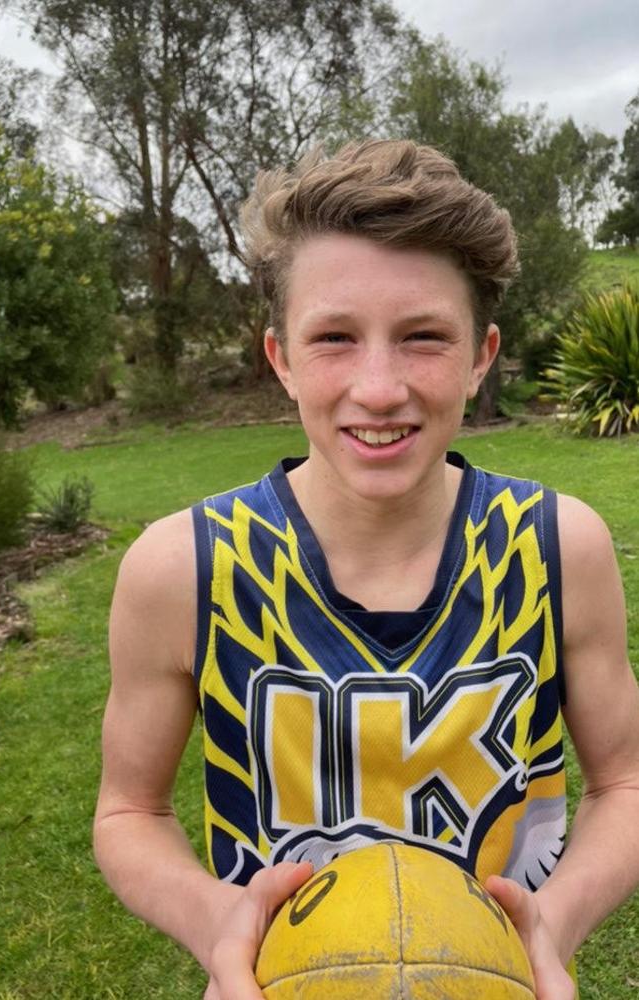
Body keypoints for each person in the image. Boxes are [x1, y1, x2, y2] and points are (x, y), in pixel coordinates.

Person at [94, 140, 639, 1000]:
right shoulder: (182, 570)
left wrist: (551, 929)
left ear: (481, 355)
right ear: (280, 357)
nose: (379, 389)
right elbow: (129, 812)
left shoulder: (555, 548)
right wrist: (218, 923)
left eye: (424, 337)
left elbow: (625, 782)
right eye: (335, 338)